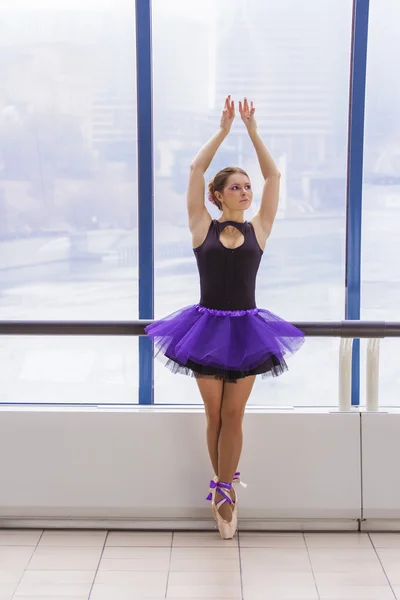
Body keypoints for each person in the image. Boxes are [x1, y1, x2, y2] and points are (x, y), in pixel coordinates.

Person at [145, 96, 304, 539]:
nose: (245, 191)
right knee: (213, 415)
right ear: (218, 196)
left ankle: (224, 492)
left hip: (248, 328)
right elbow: (195, 170)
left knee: (235, 415)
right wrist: (223, 130)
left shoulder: (261, 227)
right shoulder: (203, 226)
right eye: (235, 187)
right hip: (207, 328)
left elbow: (274, 175)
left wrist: (252, 131)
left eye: (246, 187)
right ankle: (222, 489)